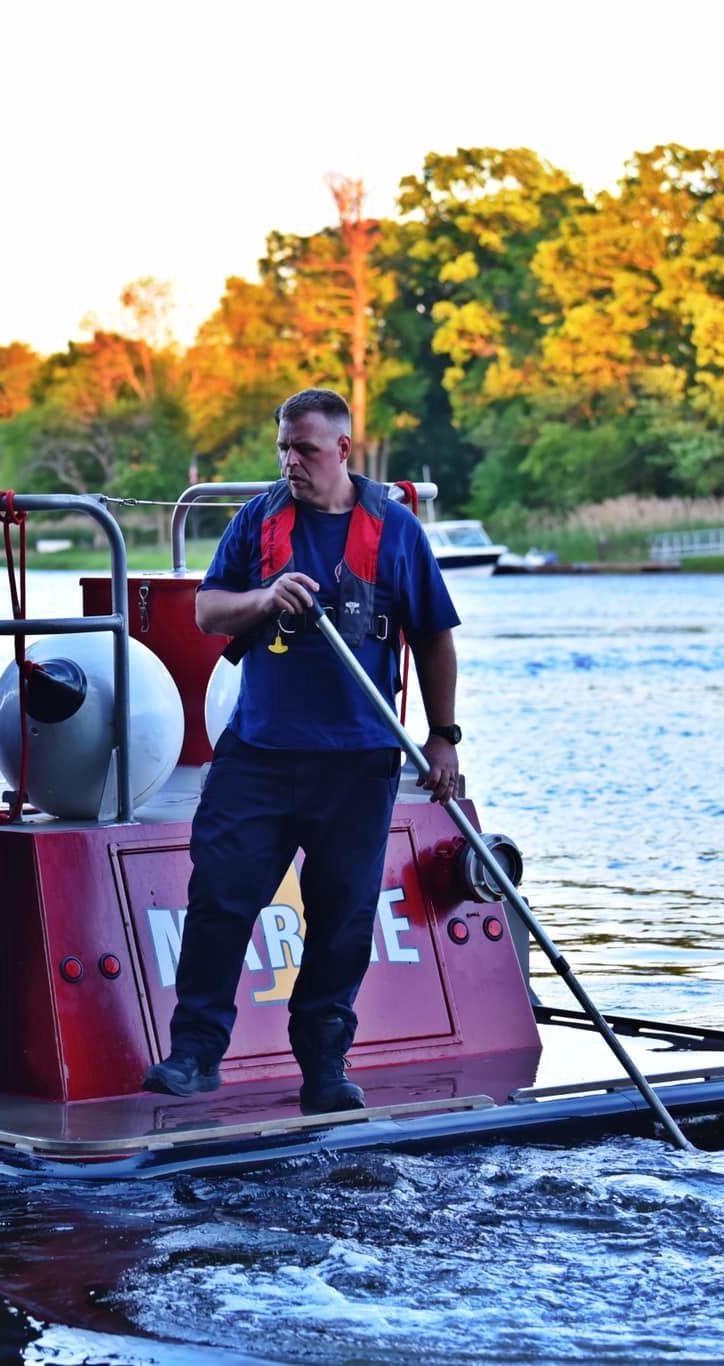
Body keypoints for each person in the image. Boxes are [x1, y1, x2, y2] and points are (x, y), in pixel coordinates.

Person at [144, 387, 462, 1114]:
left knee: (344, 915)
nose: (291, 461)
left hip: (358, 761)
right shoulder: (259, 521)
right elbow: (206, 609)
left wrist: (442, 738)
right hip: (259, 754)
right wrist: (263, 599)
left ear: (343, 451)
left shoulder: (396, 531)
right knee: (221, 901)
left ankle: (324, 1064)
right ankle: (194, 1055)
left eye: (306, 449)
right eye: (284, 447)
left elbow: (436, 637)